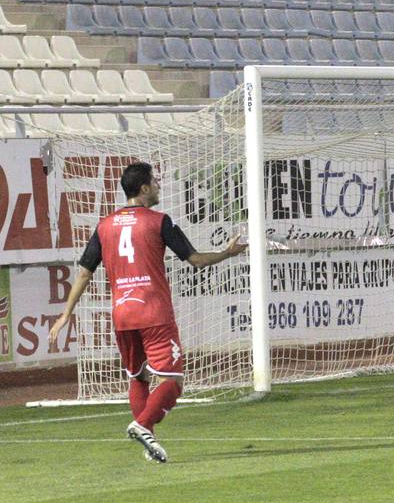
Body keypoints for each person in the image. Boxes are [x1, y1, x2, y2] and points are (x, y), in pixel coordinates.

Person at [48, 162, 247, 463]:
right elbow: (194, 260)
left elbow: (85, 273)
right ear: (142, 188)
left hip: (123, 316)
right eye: (154, 182)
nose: (158, 186)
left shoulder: (104, 226)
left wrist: (66, 313)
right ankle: (142, 424)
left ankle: (148, 440)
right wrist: (226, 253)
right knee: (172, 381)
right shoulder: (159, 221)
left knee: (138, 377)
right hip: (154, 313)